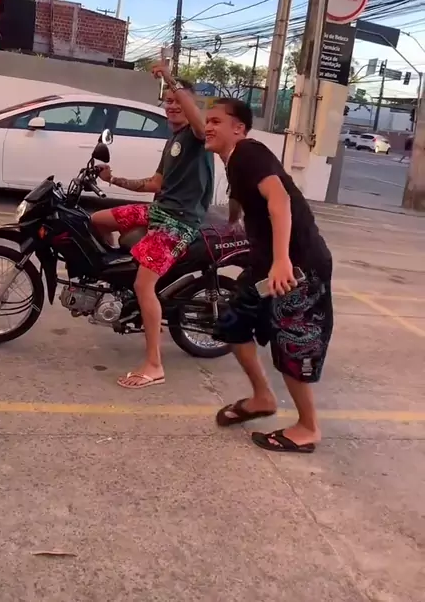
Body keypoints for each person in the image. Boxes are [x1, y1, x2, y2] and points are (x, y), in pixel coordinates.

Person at [204, 98, 333, 454]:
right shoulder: (234, 160)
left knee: (292, 341)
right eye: (206, 121)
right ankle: (263, 397)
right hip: (266, 266)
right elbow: (246, 199)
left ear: (239, 128)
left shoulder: (248, 152)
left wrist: (281, 260)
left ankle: (308, 428)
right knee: (232, 323)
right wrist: (233, 224)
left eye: (216, 121)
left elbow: (279, 200)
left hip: (298, 267)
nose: (208, 127)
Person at [92, 64, 214, 390]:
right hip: (158, 211)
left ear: (190, 104)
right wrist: (113, 179)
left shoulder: (198, 137)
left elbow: (199, 122)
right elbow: (155, 183)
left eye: (178, 100)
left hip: (179, 222)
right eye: (168, 101)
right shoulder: (173, 139)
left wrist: (169, 78)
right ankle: (124, 283)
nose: (172, 105)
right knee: (97, 220)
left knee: (143, 285)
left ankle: (154, 365)